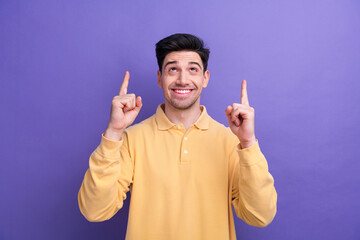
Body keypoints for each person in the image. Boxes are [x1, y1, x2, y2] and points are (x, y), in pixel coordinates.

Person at [78, 33, 277, 240]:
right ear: (159, 78)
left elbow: (260, 216)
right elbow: (94, 210)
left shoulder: (231, 142)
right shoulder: (131, 139)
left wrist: (248, 143)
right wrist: (113, 132)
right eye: (173, 69)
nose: (183, 80)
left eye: (193, 69)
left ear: (205, 78)